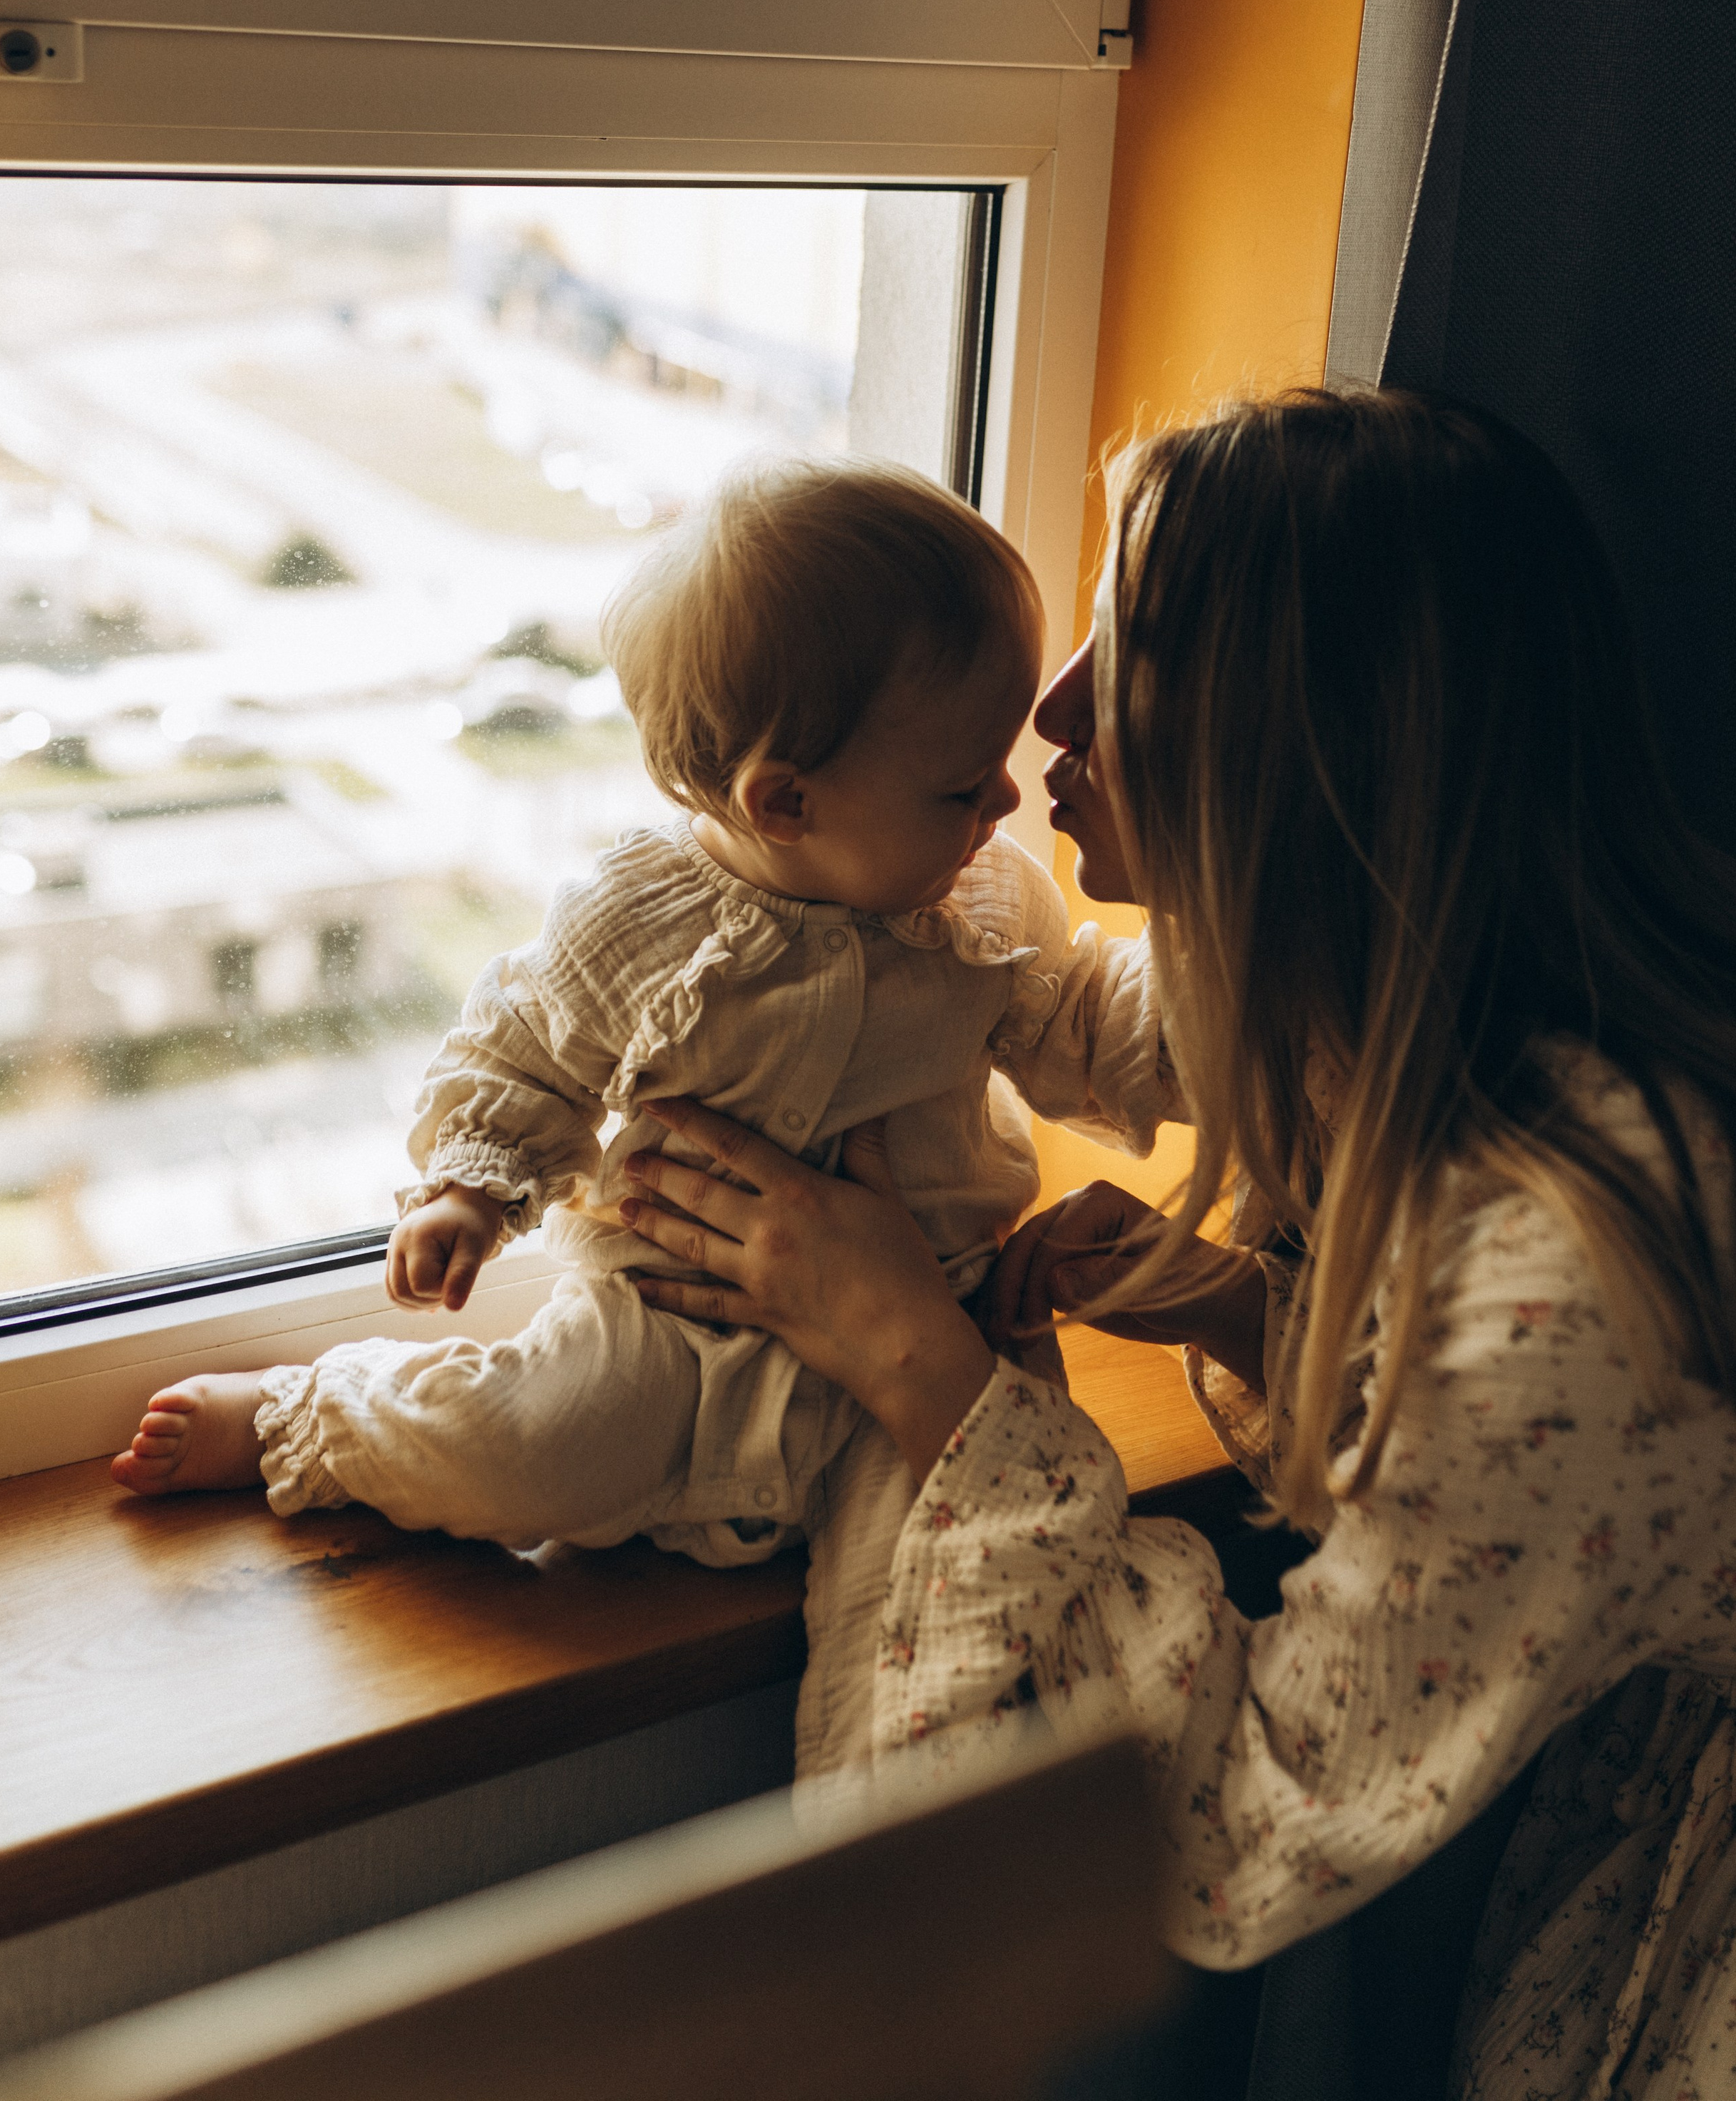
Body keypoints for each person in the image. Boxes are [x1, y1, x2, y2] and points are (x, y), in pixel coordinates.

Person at [614, 393, 1736, 2100]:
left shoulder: (1561, 1269)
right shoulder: (1458, 1031)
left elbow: (1241, 1832)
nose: (1048, 710)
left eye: (1121, 647)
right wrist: (1264, 1316)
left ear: (1300, 742)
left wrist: (919, 1361)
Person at [111, 456, 1172, 1575]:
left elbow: (1080, 1024)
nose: (1007, 803)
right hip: (678, 1326)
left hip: (934, 1314)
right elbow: (526, 1045)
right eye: (964, 787)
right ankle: (307, 1418)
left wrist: (1220, 1015)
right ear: (787, 803)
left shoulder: (986, 902)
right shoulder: (647, 920)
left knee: (949, 1567)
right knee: (527, 1447)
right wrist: (472, 1190)